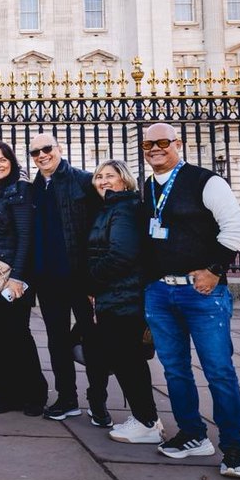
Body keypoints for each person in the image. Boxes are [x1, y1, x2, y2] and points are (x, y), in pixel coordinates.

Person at [140, 123, 240, 479]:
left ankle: (233, 447)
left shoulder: (206, 181)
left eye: (162, 142)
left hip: (201, 291)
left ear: (178, 144)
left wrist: (215, 269)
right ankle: (192, 434)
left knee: (218, 370)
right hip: (160, 291)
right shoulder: (149, 186)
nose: (155, 149)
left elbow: (235, 228)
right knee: (174, 369)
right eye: (148, 144)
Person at [27, 132, 107, 422]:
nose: (41, 155)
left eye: (46, 149)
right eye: (35, 152)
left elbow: (101, 232)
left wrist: (96, 279)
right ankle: (67, 398)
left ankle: (98, 402)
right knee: (57, 340)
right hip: (48, 280)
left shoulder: (84, 181)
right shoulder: (33, 188)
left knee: (94, 341)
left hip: (82, 279)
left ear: (59, 148)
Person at [85, 159, 162, 444]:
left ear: (124, 180)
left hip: (123, 297)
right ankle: (146, 417)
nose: (102, 181)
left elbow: (121, 255)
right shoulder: (112, 208)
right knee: (125, 359)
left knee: (128, 360)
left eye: (109, 176)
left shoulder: (124, 209)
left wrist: (91, 282)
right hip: (115, 295)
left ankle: (147, 421)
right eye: (98, 177)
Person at [0, 142, 48, 416]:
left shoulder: (20, 190)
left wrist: (17, 278)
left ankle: (33, 393)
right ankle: (5, 391)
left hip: (12, 278)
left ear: (12, 162)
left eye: (2, 159)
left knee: (17, 335)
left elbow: (26, 237)